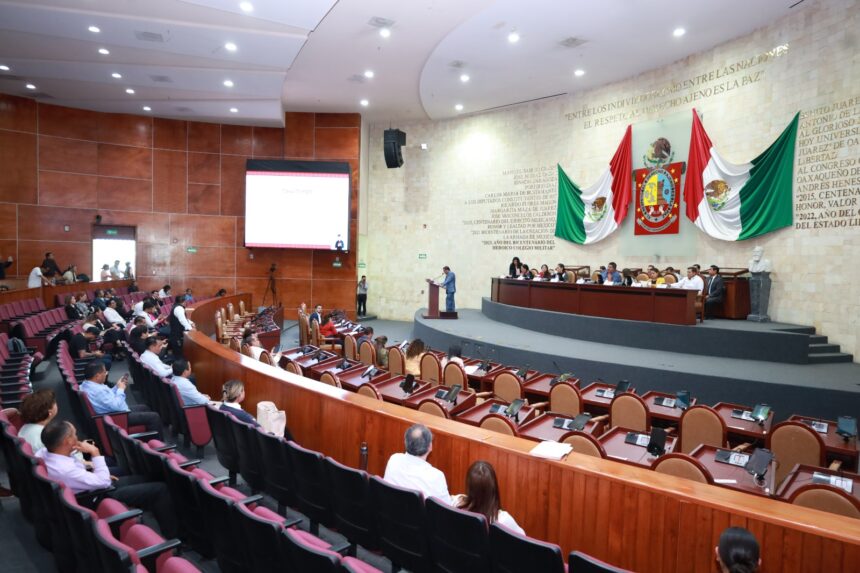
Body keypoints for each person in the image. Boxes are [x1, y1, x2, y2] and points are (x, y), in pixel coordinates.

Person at [37, 419, 177, 538]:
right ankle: (173, 537)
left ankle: (149, 515)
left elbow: (82, 473)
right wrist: (95, 452)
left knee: (147, 478)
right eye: (74, 434)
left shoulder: (44, 453)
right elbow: (103, 482)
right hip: (97, 496)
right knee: (161, 489)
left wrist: (91, 469)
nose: (77, 437)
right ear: (67, 441)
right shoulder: (66, 470)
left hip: (90, 485)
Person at [79, 361, 163, 436]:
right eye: (104, 372)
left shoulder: (86, 384)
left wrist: (117, 386)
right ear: (97, 376)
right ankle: (158, 443)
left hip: (113, 412)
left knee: (144, 407)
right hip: (117, 417)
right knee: (154, 417)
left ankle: (148, 437)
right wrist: (121, 389)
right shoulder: (98, 391)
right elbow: (117, 406)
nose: (106, 374)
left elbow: (107, 395)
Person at [384, 424, 451, 504]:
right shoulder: (436, 476)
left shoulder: (394, 459)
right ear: (430, 447)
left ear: (405, 442)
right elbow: (446, 507)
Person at [453, 461, 523, 534]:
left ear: (469, 486)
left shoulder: (457, 502)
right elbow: (522, 537)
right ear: (494, 487)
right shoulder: (503, 520)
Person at [220, 379, 295, 440]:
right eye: (243, 390)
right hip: (255, 444)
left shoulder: (222, 407)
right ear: (239, 394)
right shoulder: (245, 417)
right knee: (285, 430)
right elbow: (263, 434)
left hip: (235, 440)